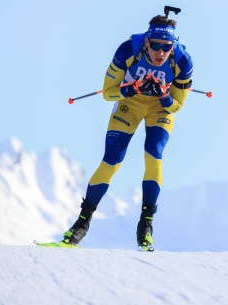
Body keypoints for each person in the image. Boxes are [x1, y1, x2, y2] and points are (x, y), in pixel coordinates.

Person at [62, 14, 193, 250]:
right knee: (111, 160)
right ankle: (82, 222)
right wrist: (131, 89)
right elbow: (107, 93)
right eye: (155, 45)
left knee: (154, 153)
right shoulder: (127, 50)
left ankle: (146, 224)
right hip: (129, 103)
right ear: (146, 42)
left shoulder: (183, 61)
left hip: (158, 108)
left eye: (166, 47)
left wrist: (163, 95)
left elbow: (177, 106)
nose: (160, 52)